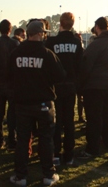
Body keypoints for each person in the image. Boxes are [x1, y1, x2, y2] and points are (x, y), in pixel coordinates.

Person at [8, 20, 66, 186]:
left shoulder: (16, 53)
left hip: (22, 104)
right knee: (46, 139)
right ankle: (48, 175)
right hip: (43, 104)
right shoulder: (46, 54)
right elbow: (60, 76)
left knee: (23, 140)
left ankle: (21, 176)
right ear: (40, 33)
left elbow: (9, 74)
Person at [77, 17, 108, 158]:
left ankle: (92, 148)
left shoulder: (97, 44)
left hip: (96, 86)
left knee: (94, 118)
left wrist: (81, 85)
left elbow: (86, 65)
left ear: (97, 27)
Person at [45, 12, 84, 165]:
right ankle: (69, 155)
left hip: (55, 87)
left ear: (60, 23)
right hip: (70, 86)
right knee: (69, 122)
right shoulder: (76, 42)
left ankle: (55, 153)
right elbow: (80, 65)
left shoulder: (51, 42)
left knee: (56, 121)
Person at [0, 19, 19, 150]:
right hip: (12, 84)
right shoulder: (15, 44)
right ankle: (11, 140)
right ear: (10, 30)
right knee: (12, 114)